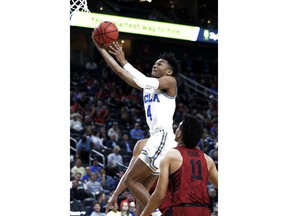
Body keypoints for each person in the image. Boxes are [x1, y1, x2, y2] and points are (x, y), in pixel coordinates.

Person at [92, 34, 180, 216]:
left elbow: (142, 79)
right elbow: (119, 71)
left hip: (162, 138)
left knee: (131, 180)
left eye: (161, 63)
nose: (155, 64)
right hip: (158, 139)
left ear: (169, 72)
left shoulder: (170, 82)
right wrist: (101, 49)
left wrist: (124, 60)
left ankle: (157, 214)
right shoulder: (148, 86)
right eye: (155, 63)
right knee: (141, 200)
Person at [140, 114, 218, 216]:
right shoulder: (208, 160)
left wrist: (144, 214)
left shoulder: (171, 156)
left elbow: (159, 194)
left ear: (179, 133)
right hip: (204, 211)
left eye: (178, 128)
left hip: (181, 210)